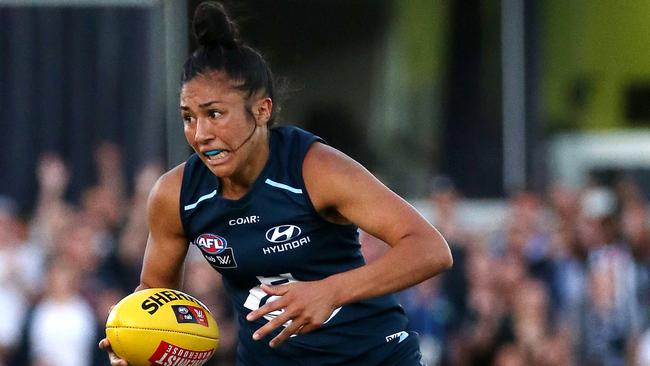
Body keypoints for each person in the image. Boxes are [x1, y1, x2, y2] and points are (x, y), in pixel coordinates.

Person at [99, 2, 452, 365]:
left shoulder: (314, 168)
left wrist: (329, 292)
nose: (200, 134)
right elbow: (154, 292)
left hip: (374, 357)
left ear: (262, 110)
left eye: (214, 114)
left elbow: (430, 249)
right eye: (188, 117)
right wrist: (136, 340)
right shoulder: (176, 195)